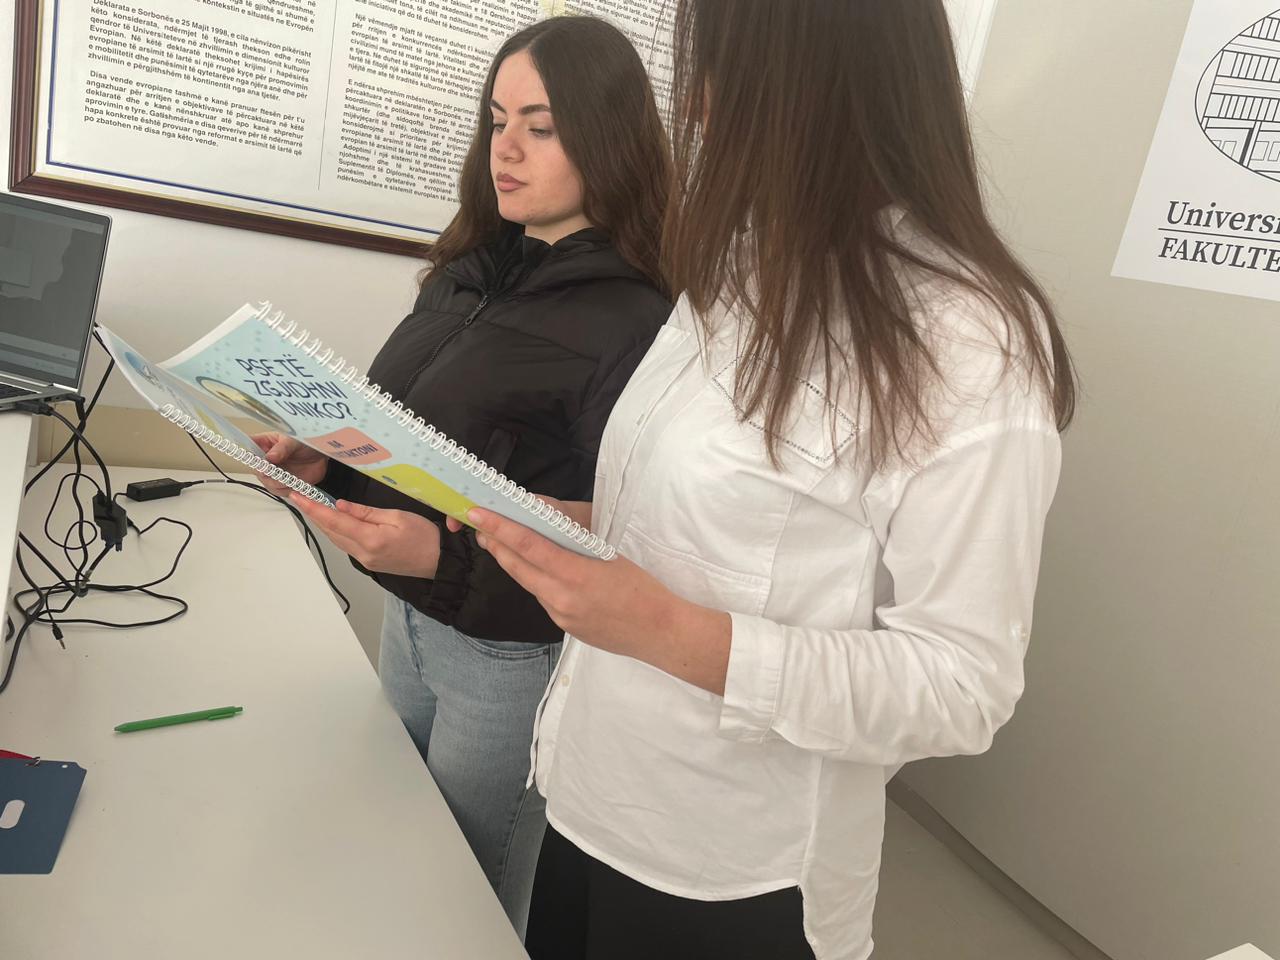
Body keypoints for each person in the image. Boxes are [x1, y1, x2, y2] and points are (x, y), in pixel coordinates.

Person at [454, 2, 1078, 958]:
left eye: (716, 76)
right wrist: (572, 525)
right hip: (589, 791)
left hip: (735, 865)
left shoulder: (965, 340)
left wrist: (669, 631)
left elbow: (962, 684)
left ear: (808, 85)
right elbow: (711, 518)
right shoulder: (735, 267)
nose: (698, 112)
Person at [257, 15, 671, 938]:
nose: (506, 149)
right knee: (397, 847)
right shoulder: (467, 271)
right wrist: (329, 460)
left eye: (541, 126)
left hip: (508, 656)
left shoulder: (642, 319)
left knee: (466, 901)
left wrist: (441, 559)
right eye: (497, 120)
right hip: (409, 619)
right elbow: (409, 438)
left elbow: (622, 531)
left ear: (607, 139)